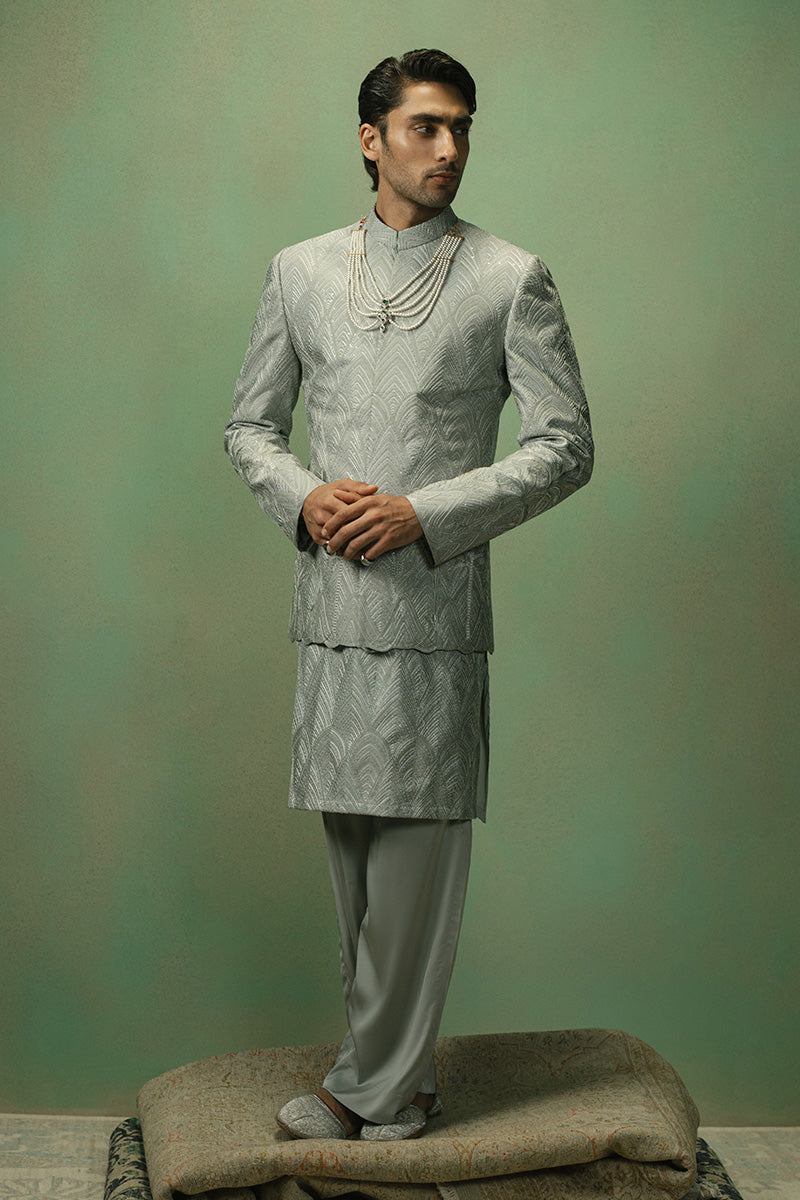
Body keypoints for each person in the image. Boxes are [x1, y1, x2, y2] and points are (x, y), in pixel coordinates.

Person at [225, 49, 593, 1143]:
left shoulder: (509, 277)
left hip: (433, 614)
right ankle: (400, 1087)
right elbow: (249, 426)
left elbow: (565, 446)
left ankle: (369, 1092)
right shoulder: (299, 272)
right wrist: (304, 497)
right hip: (330, 611)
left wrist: (424, 514)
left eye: (461, 127)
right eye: (426, 126)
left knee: (414, 870)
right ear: (369, 138)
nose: (449, 148)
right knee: (357, 876)